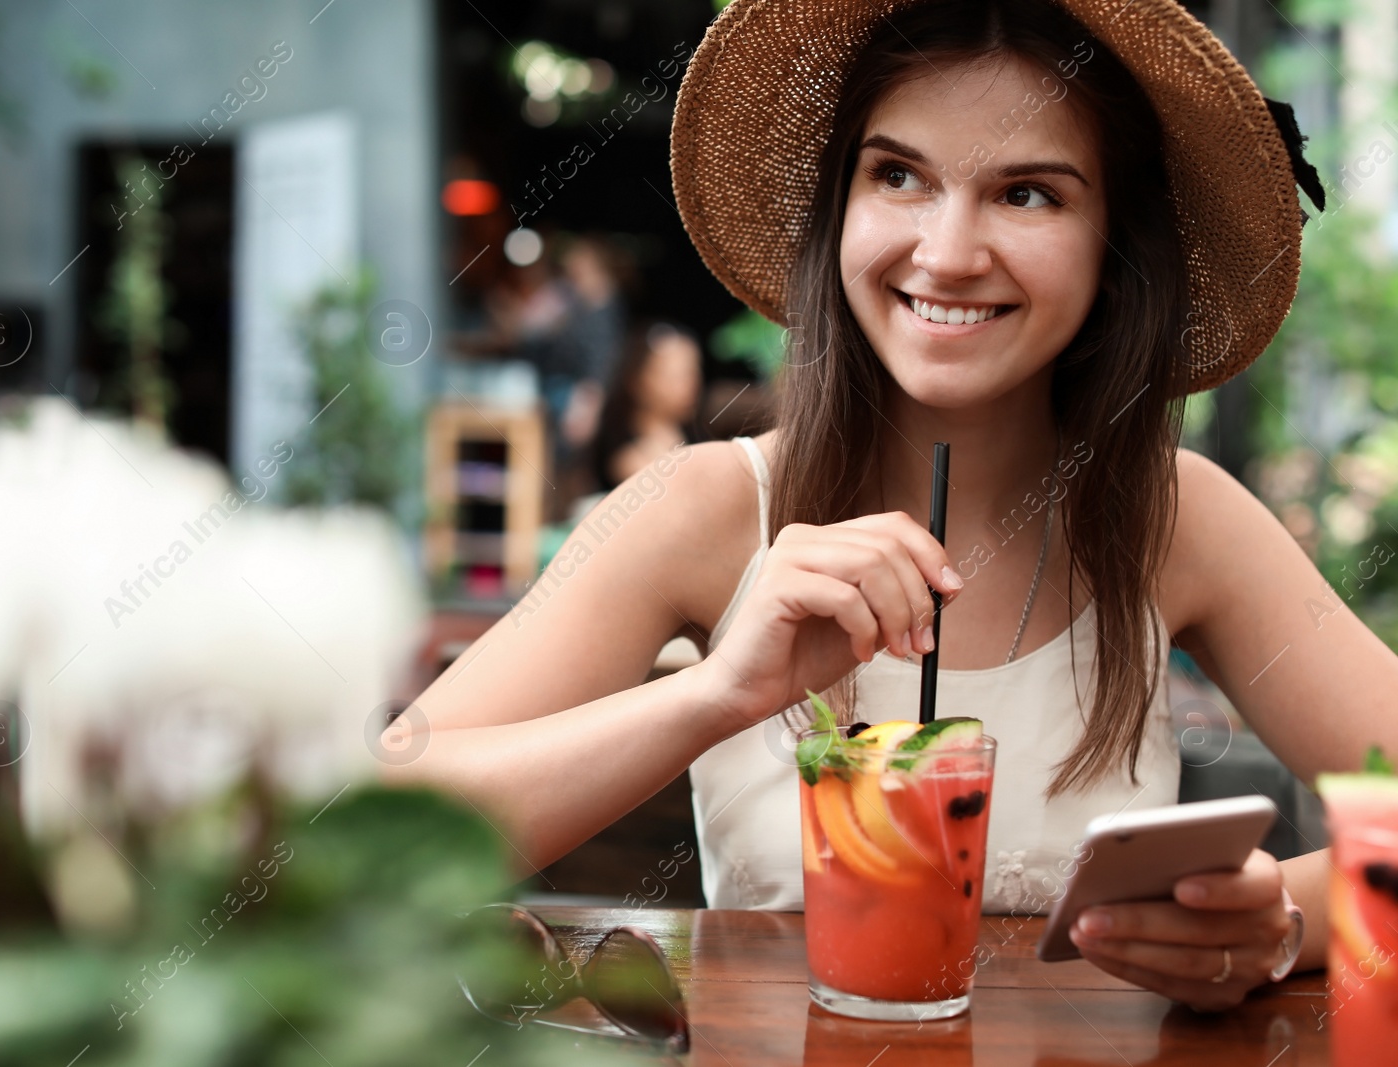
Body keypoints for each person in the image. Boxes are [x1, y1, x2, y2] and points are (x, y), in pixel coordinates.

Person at [384, 0, 1398, 1013]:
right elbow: (357, 831)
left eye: (1028, 194)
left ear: (1113, 243)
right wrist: (711, 695)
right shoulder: (707, 505)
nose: (947, 252)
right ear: (839, 206)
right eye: (898, 175)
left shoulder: (1179, 519)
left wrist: (1288, 919)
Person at [591, 320, 705, 495]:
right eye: (675, 376)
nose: (691, 384)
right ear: (637, 381)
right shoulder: (628, 457)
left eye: (693, 372)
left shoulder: (698, 440)